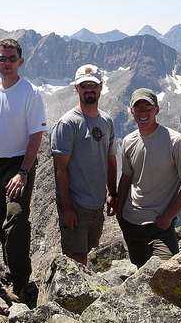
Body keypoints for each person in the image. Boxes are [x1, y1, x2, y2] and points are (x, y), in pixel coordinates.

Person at [0, 38, 47, 298]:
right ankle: (12, 269)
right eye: (2, 58)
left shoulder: (30, 93)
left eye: (11, 58)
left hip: (18, 164)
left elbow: (36, 135)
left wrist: (23, 172)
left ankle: (21, 283)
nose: (6, 63)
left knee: (15, 220)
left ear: (21, 62)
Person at [116, 88, 181, 268]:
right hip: (131, 222)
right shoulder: (129, 141)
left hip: (159, 225)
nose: (143, 113)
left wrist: (168, 216)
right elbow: (126, 178)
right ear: (132, 111)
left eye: (148, 108)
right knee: (140, 274)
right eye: (138, 108)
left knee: (166, 272)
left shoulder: (176, 141)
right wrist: (120, 213)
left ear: (157, 110)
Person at [50, 64, 117, 265]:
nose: (89, 89)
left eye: (93, 85)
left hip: (97, 204)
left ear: (101, 87)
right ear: (76, 88)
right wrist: (68, 208)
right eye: (84, 85)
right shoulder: (68, 123)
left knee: (88, 253)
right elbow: (60, 170)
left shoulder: (106, 121)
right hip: (77, 206)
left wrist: (112, 193)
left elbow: (110, 159)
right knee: (76, 260)